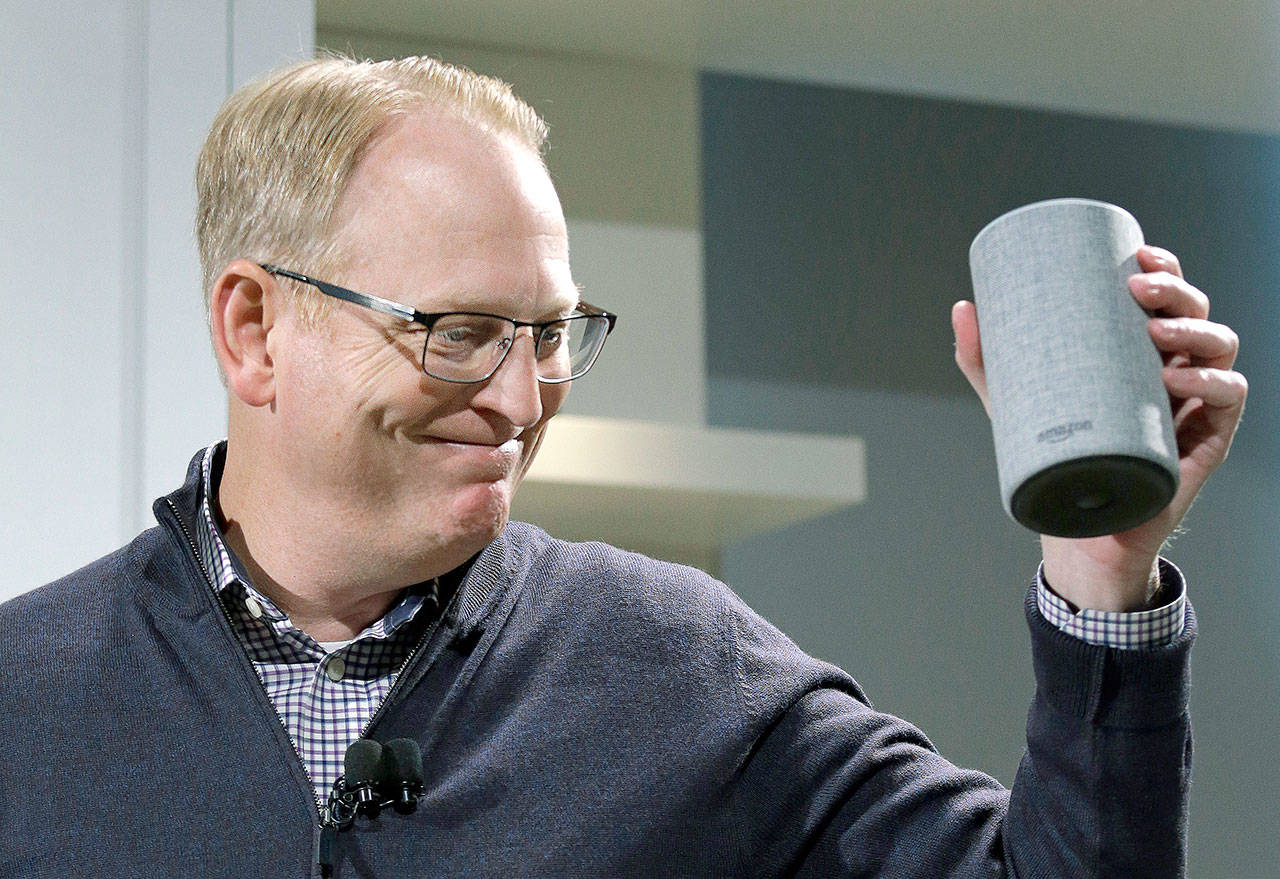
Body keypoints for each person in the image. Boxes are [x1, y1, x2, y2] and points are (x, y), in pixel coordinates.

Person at [0, 55, 1246, 877]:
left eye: (547, 334)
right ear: (254, 328)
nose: (517, 397)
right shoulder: (26, 701)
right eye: (458, 331)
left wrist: (1099, 570)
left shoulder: (681, 668)